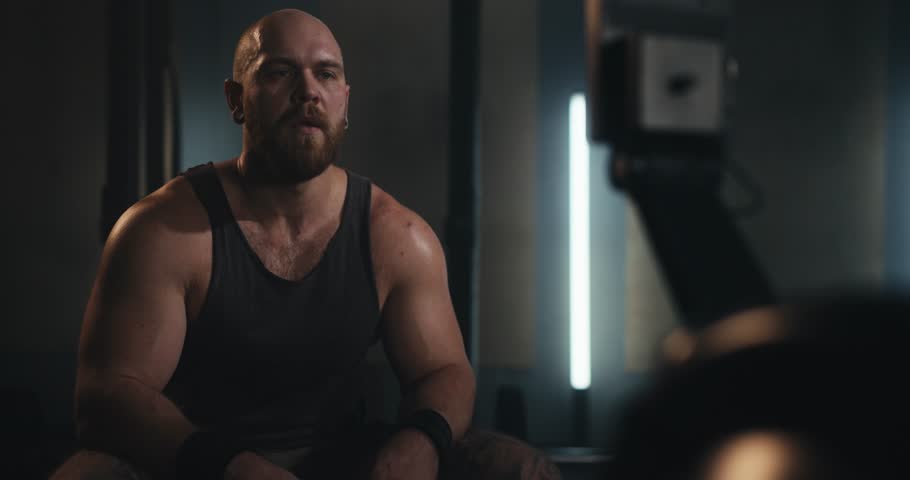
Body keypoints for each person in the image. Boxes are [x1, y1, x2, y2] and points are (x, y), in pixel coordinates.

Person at [51, 9, 559, 480]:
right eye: (280, 72)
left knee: (518, 469)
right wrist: (228, 465)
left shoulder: (396, 236)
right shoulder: (163, 229)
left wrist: (422, 440)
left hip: (343, 458)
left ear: (344, 102)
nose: (308, 91)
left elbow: (444, 370)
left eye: (326, 74)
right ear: (235, 99)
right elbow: (105, 395)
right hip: (198, 460)